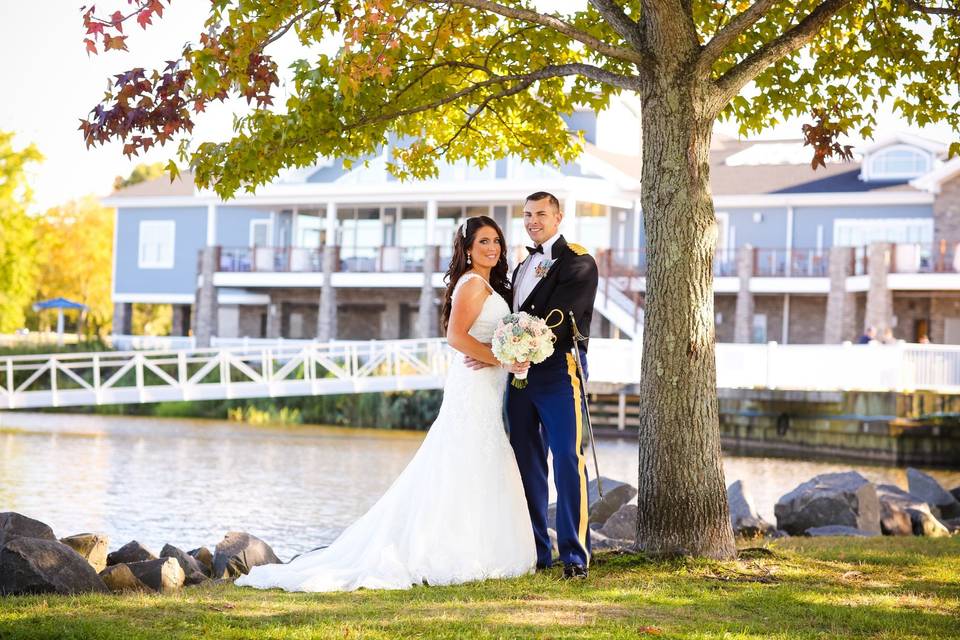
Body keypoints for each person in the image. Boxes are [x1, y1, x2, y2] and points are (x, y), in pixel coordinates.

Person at [236, 216, 535, 592]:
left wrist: (508, 353)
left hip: (488, 385)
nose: (492, 248)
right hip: (473, 384)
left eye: (496, 241)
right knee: (464, 455)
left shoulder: (489, 285)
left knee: (476, 456)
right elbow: (455, 337)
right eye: (484, 242)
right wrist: (503, 360)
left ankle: (478, 543)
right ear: (469, 249)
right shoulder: (472, 285)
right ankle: (451, 548)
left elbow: (481, 338)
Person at [466, 191, 599, 580]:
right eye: (527, 215)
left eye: (541, 213)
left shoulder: (578, 261)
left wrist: (519, 349)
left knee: (567, 459)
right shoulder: (522, 265)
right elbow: (505, 317)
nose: (532, 220)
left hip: (558, 371)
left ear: (558, 217)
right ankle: (538, 551)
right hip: (518, 375)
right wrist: (498, 353)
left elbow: (560, 320)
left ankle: (575, 557)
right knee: (526, 462)